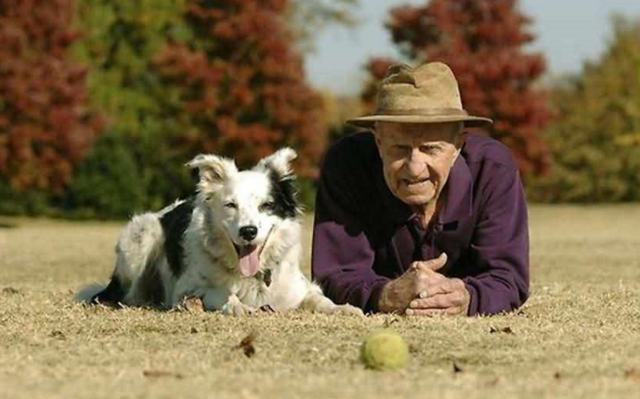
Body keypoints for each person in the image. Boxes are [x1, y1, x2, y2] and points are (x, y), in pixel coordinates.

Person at [311, 62, 529, 316]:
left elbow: (508, 278)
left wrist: (466, 297)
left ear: (457, 145)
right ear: (379, 142)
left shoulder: (493, 169)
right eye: (400, 148)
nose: (414, 168)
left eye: (430, 148)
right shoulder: (346, 166)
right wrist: (386, 295)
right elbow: (335, 275)